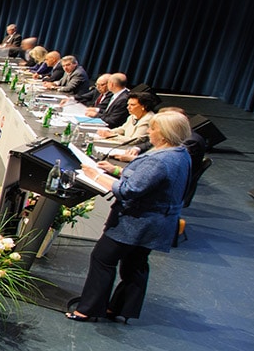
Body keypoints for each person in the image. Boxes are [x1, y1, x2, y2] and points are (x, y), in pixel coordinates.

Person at [68, 112, 192, 322]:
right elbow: (153, 182)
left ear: (163, 134)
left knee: (103, 259)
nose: (149, 133)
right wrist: (116, 170)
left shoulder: (160, 160)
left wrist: (96, 176)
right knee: (135, 263)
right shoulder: (181, 154)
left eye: (152, 129)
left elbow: (129, 191)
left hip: (136, 222)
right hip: (158, 222)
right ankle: (120, 308)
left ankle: (88, 309)